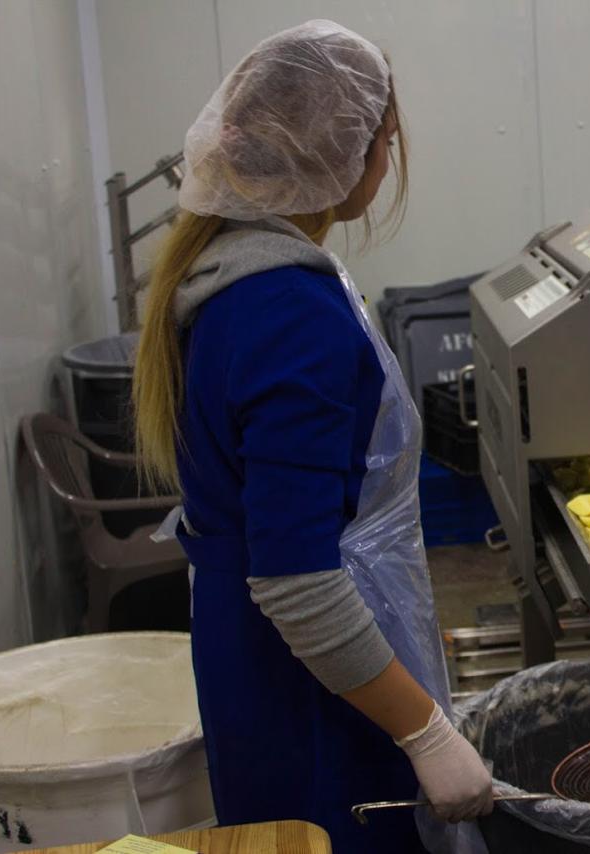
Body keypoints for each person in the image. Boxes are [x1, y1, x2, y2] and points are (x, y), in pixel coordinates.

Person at [131, 21, 492, 851]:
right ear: (342, 153)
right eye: (384, 140)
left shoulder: (229, 271)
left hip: (266, 661)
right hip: (315, 684)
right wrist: (425, 732)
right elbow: (297, 582)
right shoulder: (289, 315)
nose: (387, 160)